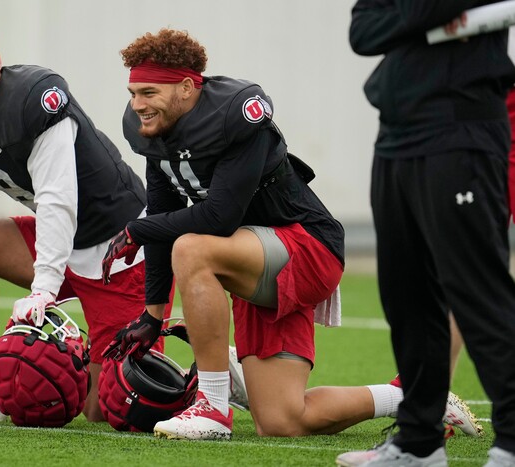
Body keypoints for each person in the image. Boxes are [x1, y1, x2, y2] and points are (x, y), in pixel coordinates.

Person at [99, 28, 481, 442]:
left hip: (306, 245)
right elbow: (163, 214)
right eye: (133, 92)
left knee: (192, 248)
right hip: (255, 259)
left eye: (149, 92)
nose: (137, 104)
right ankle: (414, 394)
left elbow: (219, 218)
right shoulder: (149, 128)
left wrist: (137, 229)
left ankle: (213, 406)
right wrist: (152, 317)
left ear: (188, 87)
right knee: (282, 422)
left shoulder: (234, 112)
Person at [0, 17, 170, 423]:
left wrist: (43, 288)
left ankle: (219, 376)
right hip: (60, 244)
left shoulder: (34, 96)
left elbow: (57, 198)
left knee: (110, 409)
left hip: (119, 249)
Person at [340, 2, 515, 465]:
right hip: (396, 134)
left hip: (462, 127)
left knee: (477, 292)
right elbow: (362, 31)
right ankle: (419, 441)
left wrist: (410, 18)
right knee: (407, 295)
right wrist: (426, 18)